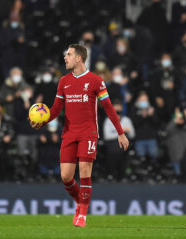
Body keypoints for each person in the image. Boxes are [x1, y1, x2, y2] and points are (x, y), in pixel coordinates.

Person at [30, 44, 129, 227]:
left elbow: (109, 108)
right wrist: (42, 122)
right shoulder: (64, 81)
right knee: (66, 177)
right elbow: (56, 110)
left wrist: (120, 133)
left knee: (84, 171)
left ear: (79, 58)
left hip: (88, 133)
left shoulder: (95, 80)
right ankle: (81, 203)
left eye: (68, 54)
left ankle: (82, 214)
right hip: (69, 133)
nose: (65, 58)